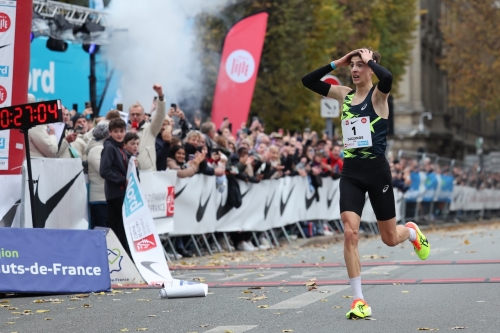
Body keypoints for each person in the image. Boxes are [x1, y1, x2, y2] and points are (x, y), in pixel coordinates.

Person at [302, 48, 430, 319]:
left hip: (377, 173)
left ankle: (410, 233)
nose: (355, 69)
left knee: (389, 238)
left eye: (361, 65)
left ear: (370, 68)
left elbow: (388, 79)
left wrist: (371, 60)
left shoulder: (379, 96)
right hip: (351, 174)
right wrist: (336, 63)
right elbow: (308, 81)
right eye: (353, 65)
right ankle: (358, 299)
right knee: (350, 232)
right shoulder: (343, 94)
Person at [99, 118, 131, 257]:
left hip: (121, 193)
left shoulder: (121, 148)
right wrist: (122, 180)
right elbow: (104, 170)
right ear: (110, 132)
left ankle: (119, 256)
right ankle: (120, 256)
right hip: (116, 193)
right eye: (116, 131)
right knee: (118, 227)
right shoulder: (110, 147)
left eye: (121, 131)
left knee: (118, 226)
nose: (119, 134)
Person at [128, 84, 166, 171]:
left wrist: (160, 96)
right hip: (130, 174)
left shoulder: (150, 129)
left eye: (138, 114)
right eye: (132, 114)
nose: (135, 116)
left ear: (143, 115)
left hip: (148, 174)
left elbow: (160, 115)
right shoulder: (124, 131)